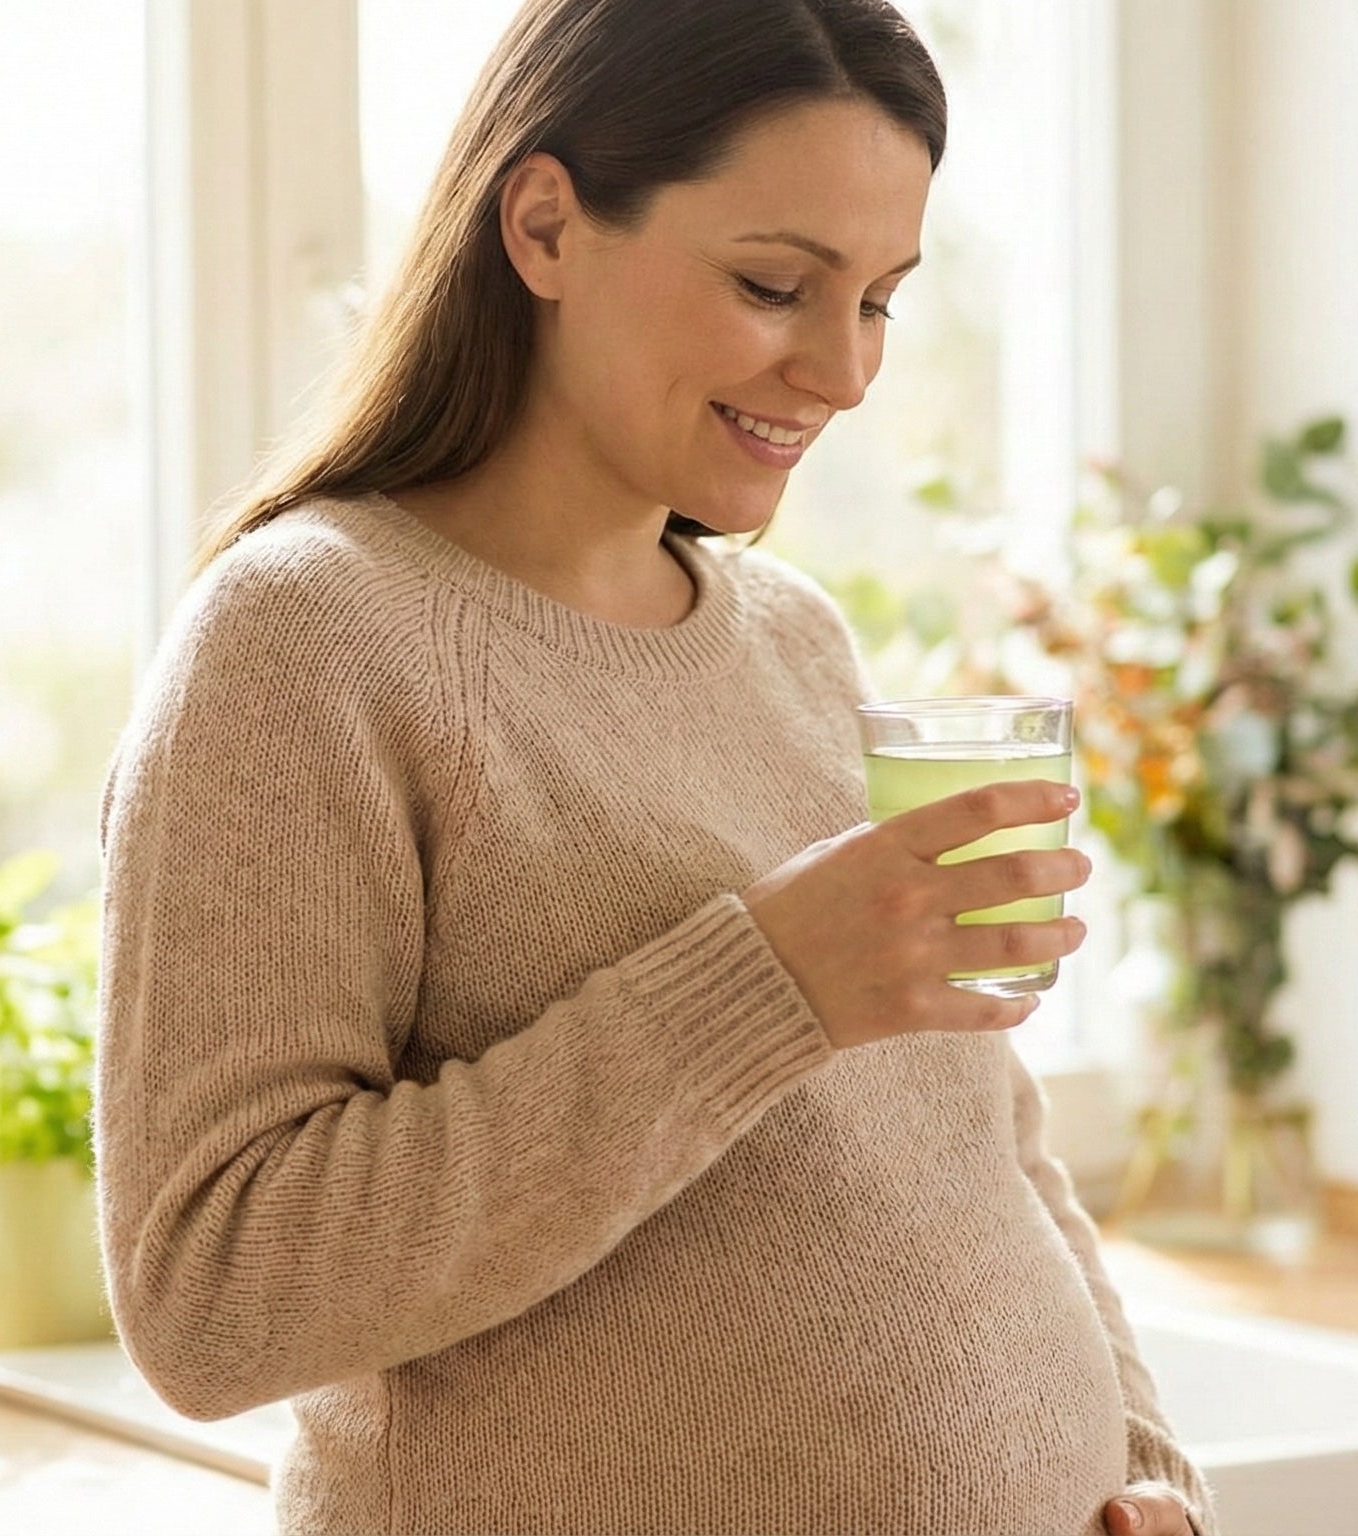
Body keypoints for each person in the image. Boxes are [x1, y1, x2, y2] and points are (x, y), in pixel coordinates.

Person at [93, 2, 1215, 1531]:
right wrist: (764, 986)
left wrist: (1146, 1470)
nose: (844, 368)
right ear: (546, 224)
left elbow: (986, 1144)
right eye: (776, 285)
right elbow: (210, 1294)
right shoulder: (306, 642)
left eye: (881, 300)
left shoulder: (797, 643)